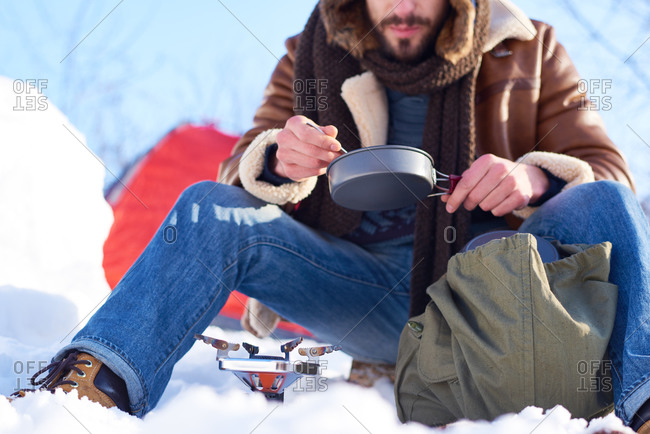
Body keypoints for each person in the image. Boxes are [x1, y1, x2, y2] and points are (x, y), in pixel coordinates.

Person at [9, 0, 650, 431]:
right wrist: (279, 159)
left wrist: (533, 176)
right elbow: (238, 168)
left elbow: (608, 171)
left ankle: (644, 394)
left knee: (605, 201)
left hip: (500, 294)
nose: (403, 9)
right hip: (359, 291)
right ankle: (95, 381)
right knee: (207, 205)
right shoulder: (307, 54)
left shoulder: (529, 49)